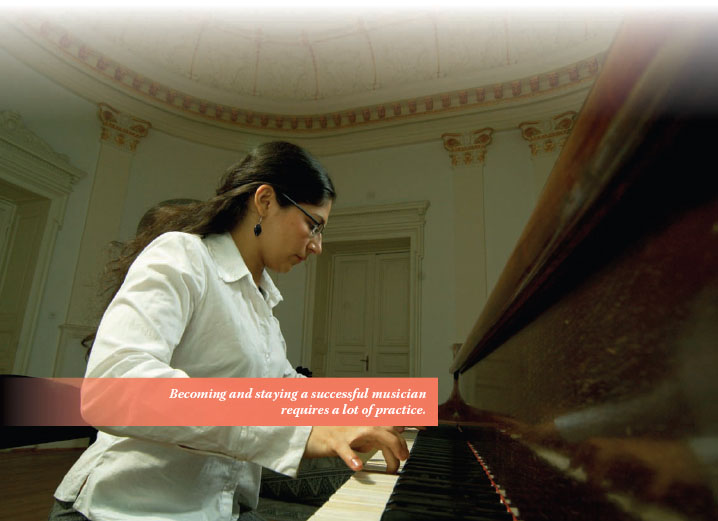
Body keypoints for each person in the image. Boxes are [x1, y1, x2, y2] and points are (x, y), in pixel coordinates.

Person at [49, 141, 409, 521]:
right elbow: (113, 389)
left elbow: (284, 388)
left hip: (218, 508)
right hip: (126, 509)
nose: (317, 246)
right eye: (313, 225)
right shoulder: (181, 256)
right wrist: (296, 433)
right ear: (266, 201)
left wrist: (374, 407)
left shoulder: (261, 302)